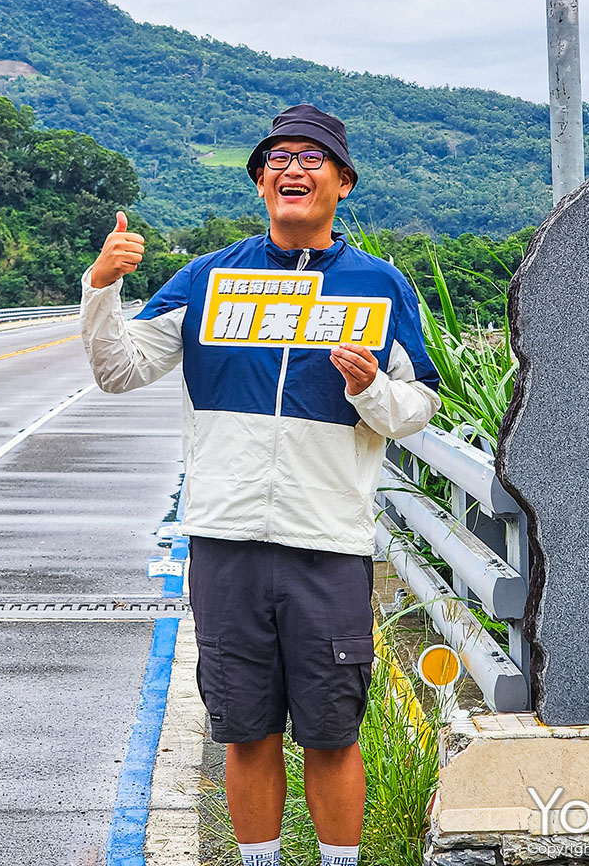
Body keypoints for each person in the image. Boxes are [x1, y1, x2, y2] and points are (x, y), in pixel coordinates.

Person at [80, 104, 440, 866]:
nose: (292, 170)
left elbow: (418, 409)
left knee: (333, 732)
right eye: (276, 160)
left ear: (343, 183)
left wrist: (371, 388)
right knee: (244, 729)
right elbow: (117, 371)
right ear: (259, 184)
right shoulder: (209, 278)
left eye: (312, 159)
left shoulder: (379, 286)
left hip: (327, 542)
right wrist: (101, 286)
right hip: (226, 537)